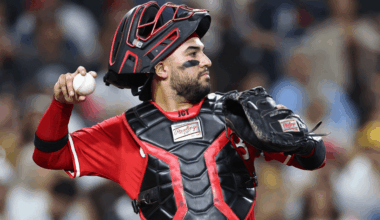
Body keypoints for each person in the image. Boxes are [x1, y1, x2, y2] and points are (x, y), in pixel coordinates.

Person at [33, 2, 326, 220]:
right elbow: (48, 155)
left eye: (204, 51)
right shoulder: (124, 133)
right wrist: (62, 105)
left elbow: (314, 158)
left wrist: (297, 135)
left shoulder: (236, 113)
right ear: (161, 67)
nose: (207, 61)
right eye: (193, 54)